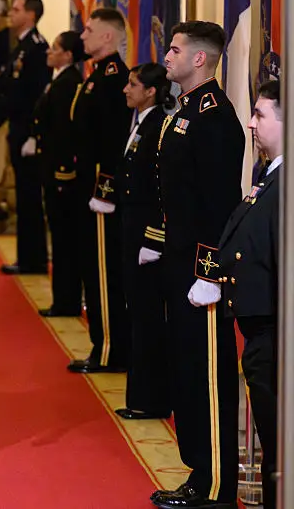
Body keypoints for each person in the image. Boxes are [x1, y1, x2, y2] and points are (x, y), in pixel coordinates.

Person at [145, 21, 243, 509]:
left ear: (200, 59)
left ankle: (218, 486)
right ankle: (198, 474)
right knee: (185, 371)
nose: (167, 56)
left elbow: (219, 202)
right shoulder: (183, 112)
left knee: (207, 375)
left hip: (199, 271)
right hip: (178, 262)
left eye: (175, 49)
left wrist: (209, 272)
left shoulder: (215, 118)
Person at [218, 80, 282, 509]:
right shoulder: (269, 175)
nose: (251, 123)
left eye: (260, 115)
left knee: (279, 443)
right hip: (261, 329)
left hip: (276, 333)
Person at [68, 7, 132, 374]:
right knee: (91, 270)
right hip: (86, 189)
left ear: (108, 36)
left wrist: (105, 191)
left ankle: (110, 350)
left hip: (100, 193)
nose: (83, 36)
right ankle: (101, 344)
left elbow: (113, 143)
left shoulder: (113, 80)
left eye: (89, 30)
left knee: (104, 273)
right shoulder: (96, 77)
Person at [114, 63, 173, 420]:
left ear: (150, 91)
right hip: (131, 229)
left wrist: (153, 238)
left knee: (147, 317)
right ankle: (140, 396)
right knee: (136, 312)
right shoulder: (139, 124)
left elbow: (158, 188)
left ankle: (150, 399)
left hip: (146, 237)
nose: (126, 89)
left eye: (133, 84)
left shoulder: (157, 128)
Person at [24, 31, 85, 317]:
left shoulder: (68, 83)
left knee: (65, 241)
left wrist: (61, 172)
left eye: (56, 48)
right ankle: (63, 299)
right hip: (49, 167)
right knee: (59, 238)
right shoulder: (59, 79)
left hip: (60, 173)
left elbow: (64, 132)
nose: (49, 51)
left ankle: (66, 301)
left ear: (68, 55)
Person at [1, 0, 50, 275]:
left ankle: (34, 259)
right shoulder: (21, 46)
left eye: (16, 9)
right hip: (18, 129)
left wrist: (33, 133)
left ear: (30, 15)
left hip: (28, 134)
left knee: (30, 196)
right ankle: (27, 257)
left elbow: (37, 97)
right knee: (24, 195)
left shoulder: (36, 47)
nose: (11, 13)